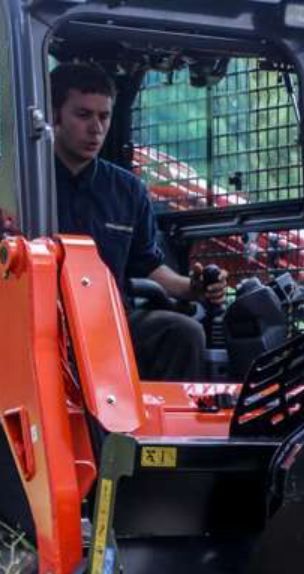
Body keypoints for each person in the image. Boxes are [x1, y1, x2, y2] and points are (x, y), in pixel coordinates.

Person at [50, 63, 227, 381]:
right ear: (54, 116)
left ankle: (159, 430)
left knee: (182, 332)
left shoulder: (127, 190)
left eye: (104, 117)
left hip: (108, 322)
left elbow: (149, 266)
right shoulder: (17, 181)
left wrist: (192, 288)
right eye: (83, 115)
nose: (96, 129)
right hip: (36, 321)